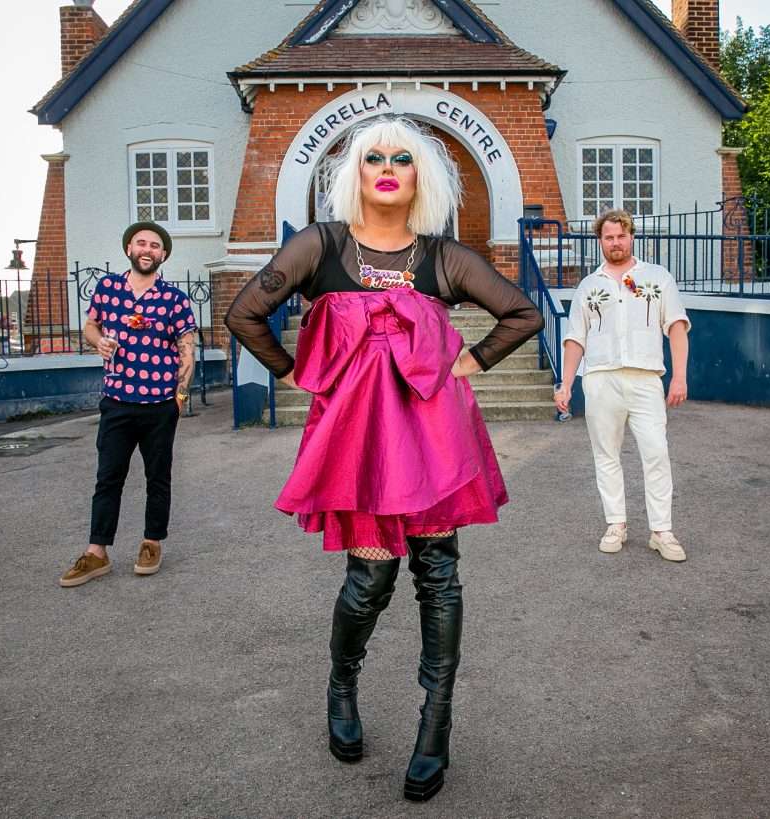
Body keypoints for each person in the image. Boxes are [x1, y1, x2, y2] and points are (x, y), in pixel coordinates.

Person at [224, 116, 542, 801]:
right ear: (356, 173)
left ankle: (436, 725)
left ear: (419, 174)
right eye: (374, 157)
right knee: (369, 582)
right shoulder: (322, 245)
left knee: (440, 576)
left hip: (434, 442)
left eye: (403, 156)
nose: (388, 166)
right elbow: (246, 312)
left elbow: (522, 314)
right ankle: (341, 685)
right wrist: (292, 371)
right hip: (361, 444)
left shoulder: (442, 257)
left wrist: (471, 360)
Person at [59, 221, 198, 587]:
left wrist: (180, 397)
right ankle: (96, 553)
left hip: (159, 404)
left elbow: (187, 347)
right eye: (141, 243)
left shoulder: (174, 299)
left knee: (158, 479)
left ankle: (151, 543)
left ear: (163, 255)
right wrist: (98, 340)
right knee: (108, 478)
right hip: (117, 402)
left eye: (155, 245)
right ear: (129, 250)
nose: (147, 249)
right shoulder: (107, 288)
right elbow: (90, 326)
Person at [554, 209, 690, 562]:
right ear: (601, 241)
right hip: (601, 377)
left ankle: (661, 531)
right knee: (606, 455)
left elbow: (676, 326)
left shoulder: (657, 277)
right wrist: (566, 384)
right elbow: (575, 339)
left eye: (621, 235)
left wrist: (679, 376)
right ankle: (616, 524)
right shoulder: (589, 285)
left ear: (631, 237)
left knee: (656, 452)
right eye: (608, 237)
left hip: (646, 378)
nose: (615, 242)